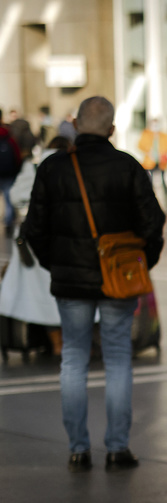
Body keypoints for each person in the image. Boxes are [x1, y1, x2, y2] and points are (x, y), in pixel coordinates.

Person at [21, 97, 165, 471]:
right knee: (117, 359)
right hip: (119, 280)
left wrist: (57, 265)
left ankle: (78, 449)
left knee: (73, 360)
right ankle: (118, 448)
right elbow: (153, 222)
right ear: (112, 129)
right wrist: (140, 263)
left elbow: (33, 229)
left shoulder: (53, 169)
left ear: (76, 124)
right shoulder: (128, 166)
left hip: (70, 282)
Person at [0, 135, 70, 354]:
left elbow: (14, 196)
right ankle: (74, 344)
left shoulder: (35, 166)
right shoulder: (74, 166)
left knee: (43, 296)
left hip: (36, 242)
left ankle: (57, 344)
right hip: (69, 239)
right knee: (72, 297)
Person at [0, 109, 23, 237]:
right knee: (8, 199)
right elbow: (16, 154)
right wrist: (16, 170)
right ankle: (8, 222)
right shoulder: (8, 135)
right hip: (8, 173)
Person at [137, 119, 167, 198]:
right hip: (150, 161)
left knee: (163, 180)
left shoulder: (163, 135)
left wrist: (164, 153)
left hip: (161, 161)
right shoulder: (146, 134)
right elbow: (140, 145)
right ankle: (149, 196)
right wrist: (148, 152)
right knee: (150, 180)